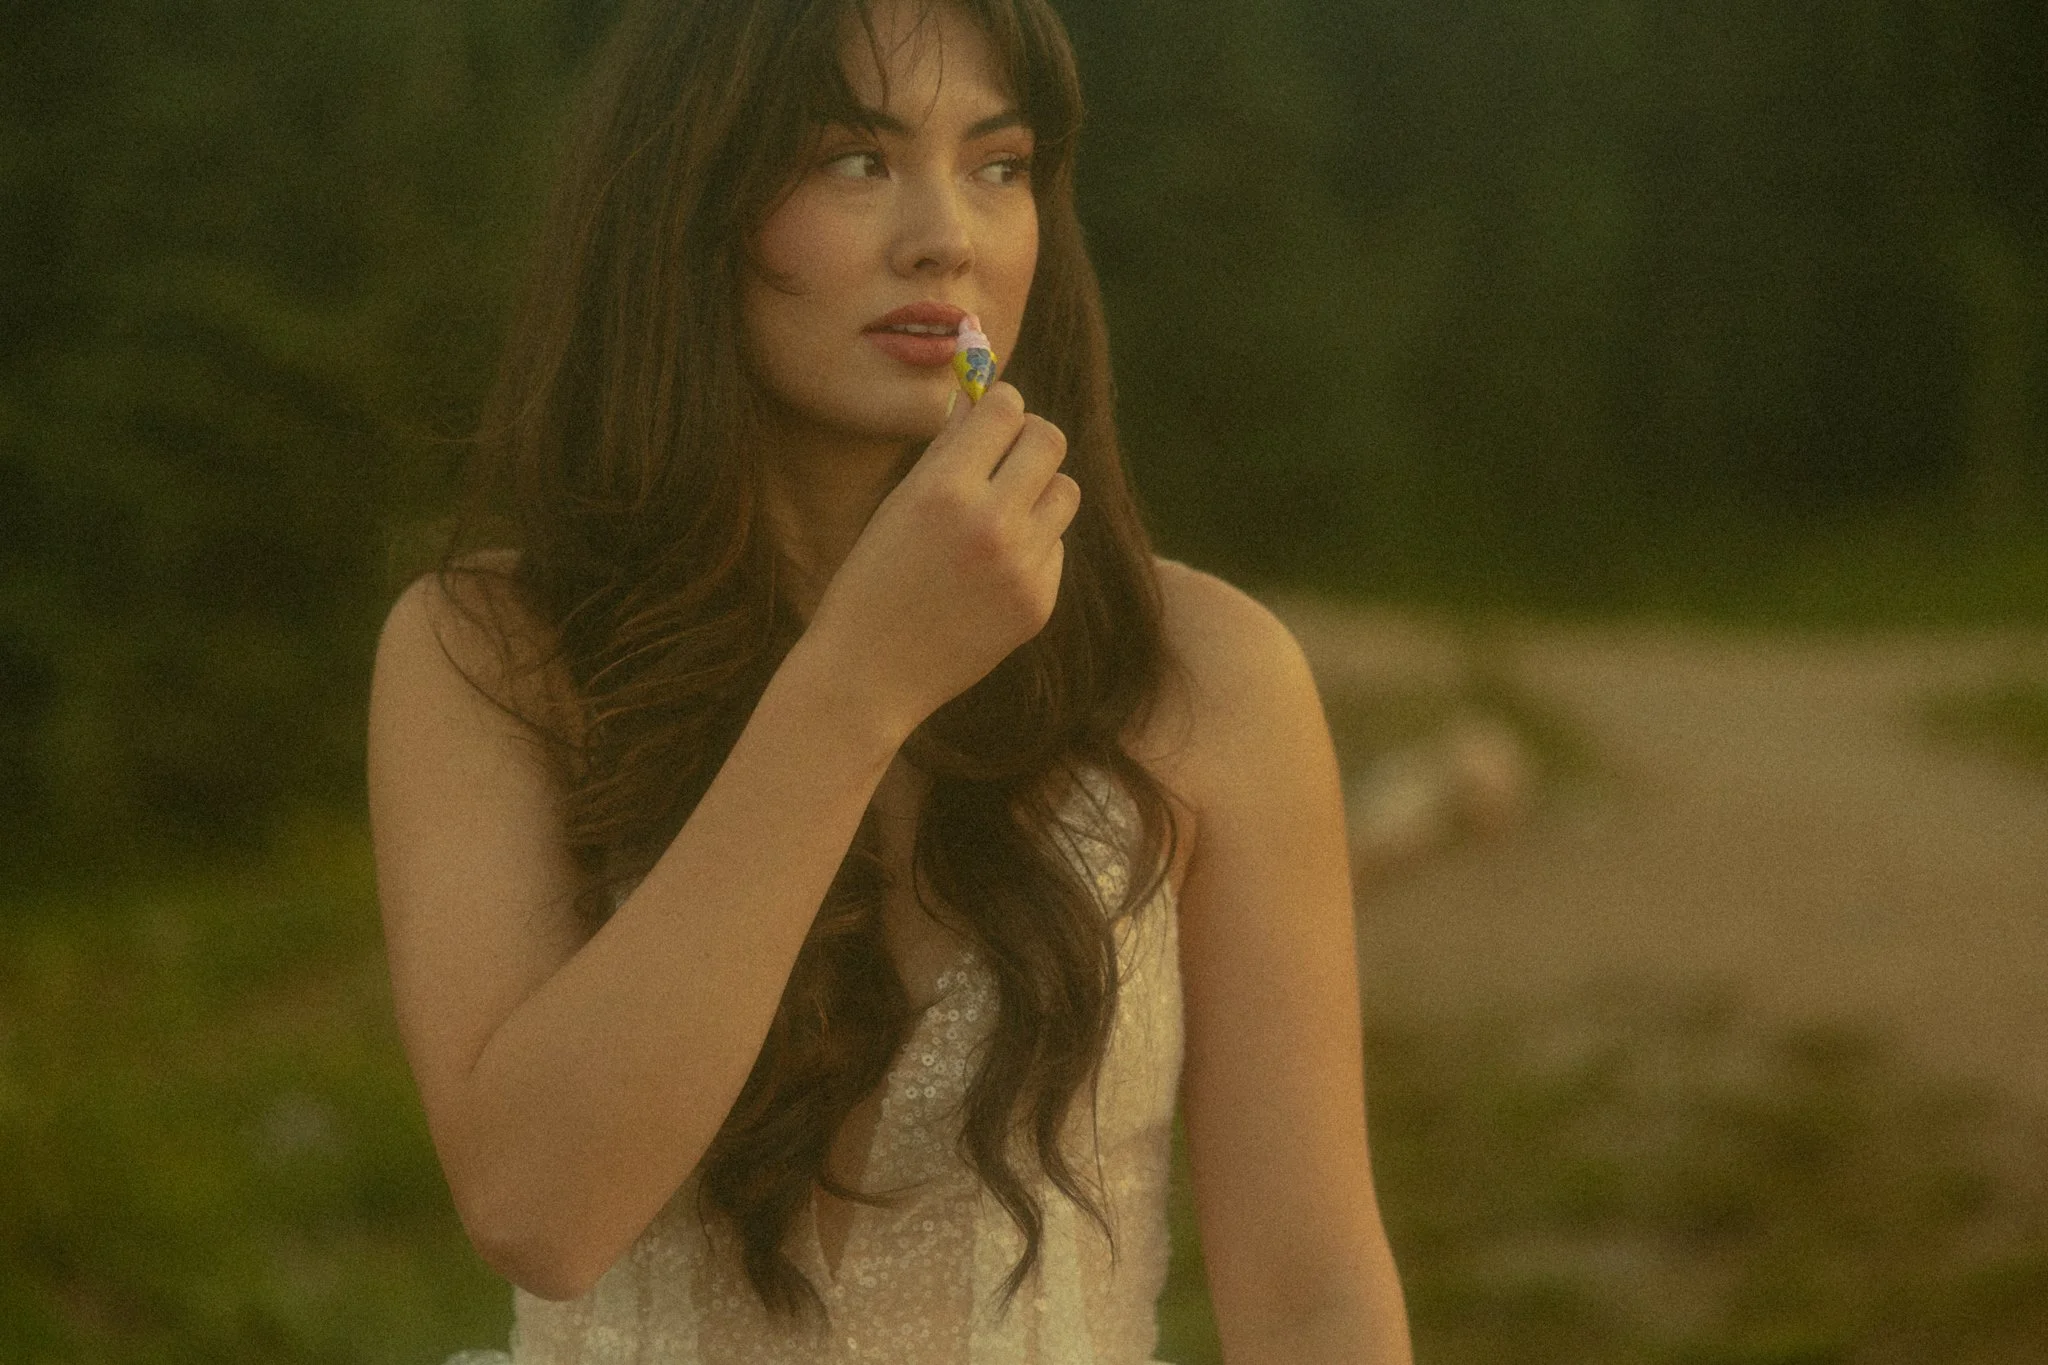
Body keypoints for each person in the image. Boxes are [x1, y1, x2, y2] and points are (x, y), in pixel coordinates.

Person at [366, 0, 1412, 1360]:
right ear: (688, 200)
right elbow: (537, 1212)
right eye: (854, 160)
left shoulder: (1205, 674)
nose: (945, 238)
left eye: (999, 166)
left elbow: (1315, 1298)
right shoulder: (490, 653)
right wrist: (859, 680)